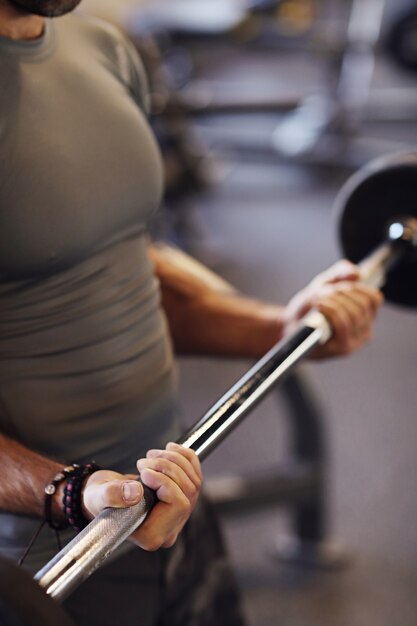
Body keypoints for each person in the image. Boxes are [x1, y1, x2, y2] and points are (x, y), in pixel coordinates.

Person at [0, 1, 383, 624]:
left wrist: (278, 328)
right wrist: (77, 492)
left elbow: (119, 255)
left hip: (173, 489)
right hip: (48, 562)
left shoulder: (99, 43)